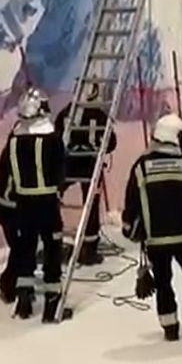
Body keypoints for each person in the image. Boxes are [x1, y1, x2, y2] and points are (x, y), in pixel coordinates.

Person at [122, 113, 182, 342]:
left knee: (163, 283)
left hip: (156, 239)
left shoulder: (141, 166)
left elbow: (132, 200)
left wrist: (130, 227)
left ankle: (170, 330)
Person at [0, 89, 71, 323]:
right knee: (52, 251)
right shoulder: (52, 139)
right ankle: (52, 305)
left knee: (25, 250)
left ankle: (24, 301)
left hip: (23, 205)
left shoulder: (13, 141)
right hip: (47, 205)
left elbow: (5, 175)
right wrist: (57, 189)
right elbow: (61, 172)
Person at [55, 83, 117, 267]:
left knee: (53, 199)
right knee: (91, 206)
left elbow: (56, 138)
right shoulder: (100, 116)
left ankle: (53, 246)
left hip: (67, 164)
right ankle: (89, 251)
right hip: (90, 165)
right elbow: (111, 143)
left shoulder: (66, 113)